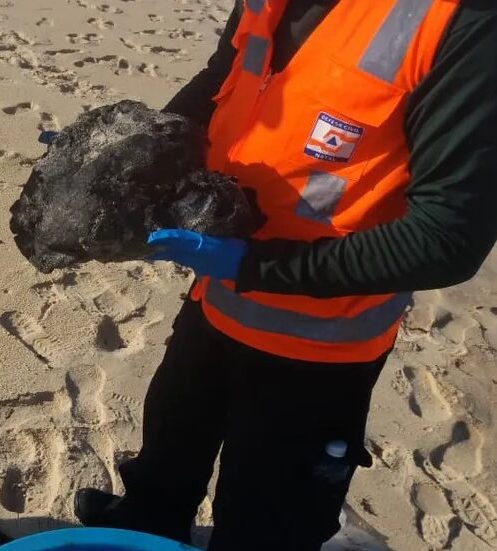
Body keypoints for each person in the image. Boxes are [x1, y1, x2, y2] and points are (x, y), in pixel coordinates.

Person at [74, 0, 497, 549]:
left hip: (317, 348)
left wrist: (252, 263)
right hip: (217, 292)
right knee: (173, 432)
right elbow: (221, 78)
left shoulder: (460, 23)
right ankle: (150, 519)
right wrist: (134, 156)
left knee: (268, 519)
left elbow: (447, 239)